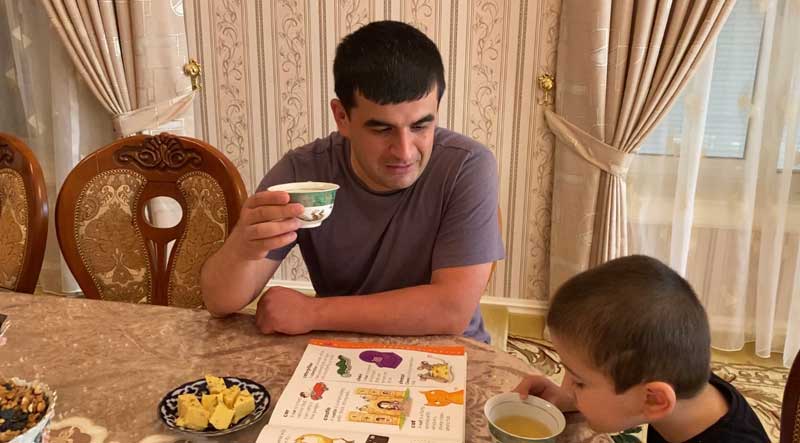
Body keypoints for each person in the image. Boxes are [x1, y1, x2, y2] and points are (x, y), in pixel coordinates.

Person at [200, 20, 504, 343]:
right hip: (340, 355)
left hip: (450, 352)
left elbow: (451, 310)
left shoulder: (468, 166)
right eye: (381, 129)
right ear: (342, 117)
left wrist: (313, 312)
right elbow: (219, 302)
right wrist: (242, 250)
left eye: (420, 126)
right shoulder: (302, 173)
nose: (404, 151)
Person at [513, 255, 768, 442]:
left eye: (579, 382)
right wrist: (570, 399)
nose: (567, 385)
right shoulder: (680, 382)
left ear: (653, 400)